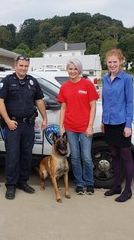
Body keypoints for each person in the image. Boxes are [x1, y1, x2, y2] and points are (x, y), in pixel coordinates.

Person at [0, 55, 47, 200]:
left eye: (26, 66)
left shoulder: (33, 81)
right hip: (13, 125)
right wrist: (7, 121)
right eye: (21, 65)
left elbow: (39, 100)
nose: (23, 68)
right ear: (15, 65)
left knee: (26, 155)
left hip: (28, 125)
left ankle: (22, 182)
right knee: (12, 156)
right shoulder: (7, 81)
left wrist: (45, 118)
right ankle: (11, 185)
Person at [57, 59, 99, 195]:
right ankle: (80, 183)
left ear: (79, 70)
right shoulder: (64, 87)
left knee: (86, 156)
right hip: (70, 127)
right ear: (67, 70)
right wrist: (61, 126)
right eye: (70, 68)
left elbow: (93, 106)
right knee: (74, 156)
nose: (73, 71)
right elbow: (63, 108)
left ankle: (89, 182)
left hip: (85, 127)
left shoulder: (87, 84)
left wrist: (90, 126)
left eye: (75, 69)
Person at [101, 49, 134, 203]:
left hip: (122, 124)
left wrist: (128, 125)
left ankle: (128, 190)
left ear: (121, 61)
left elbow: (130, 103)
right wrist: (103, 120)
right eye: (110, 62)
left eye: (115, 61)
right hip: (109, 123)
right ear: (106, 63)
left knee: (126, 156)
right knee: (114, 154)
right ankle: (116, 186)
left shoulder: (127, 79)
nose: (112, 64)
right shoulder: (105, 79)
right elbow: (105, 102)